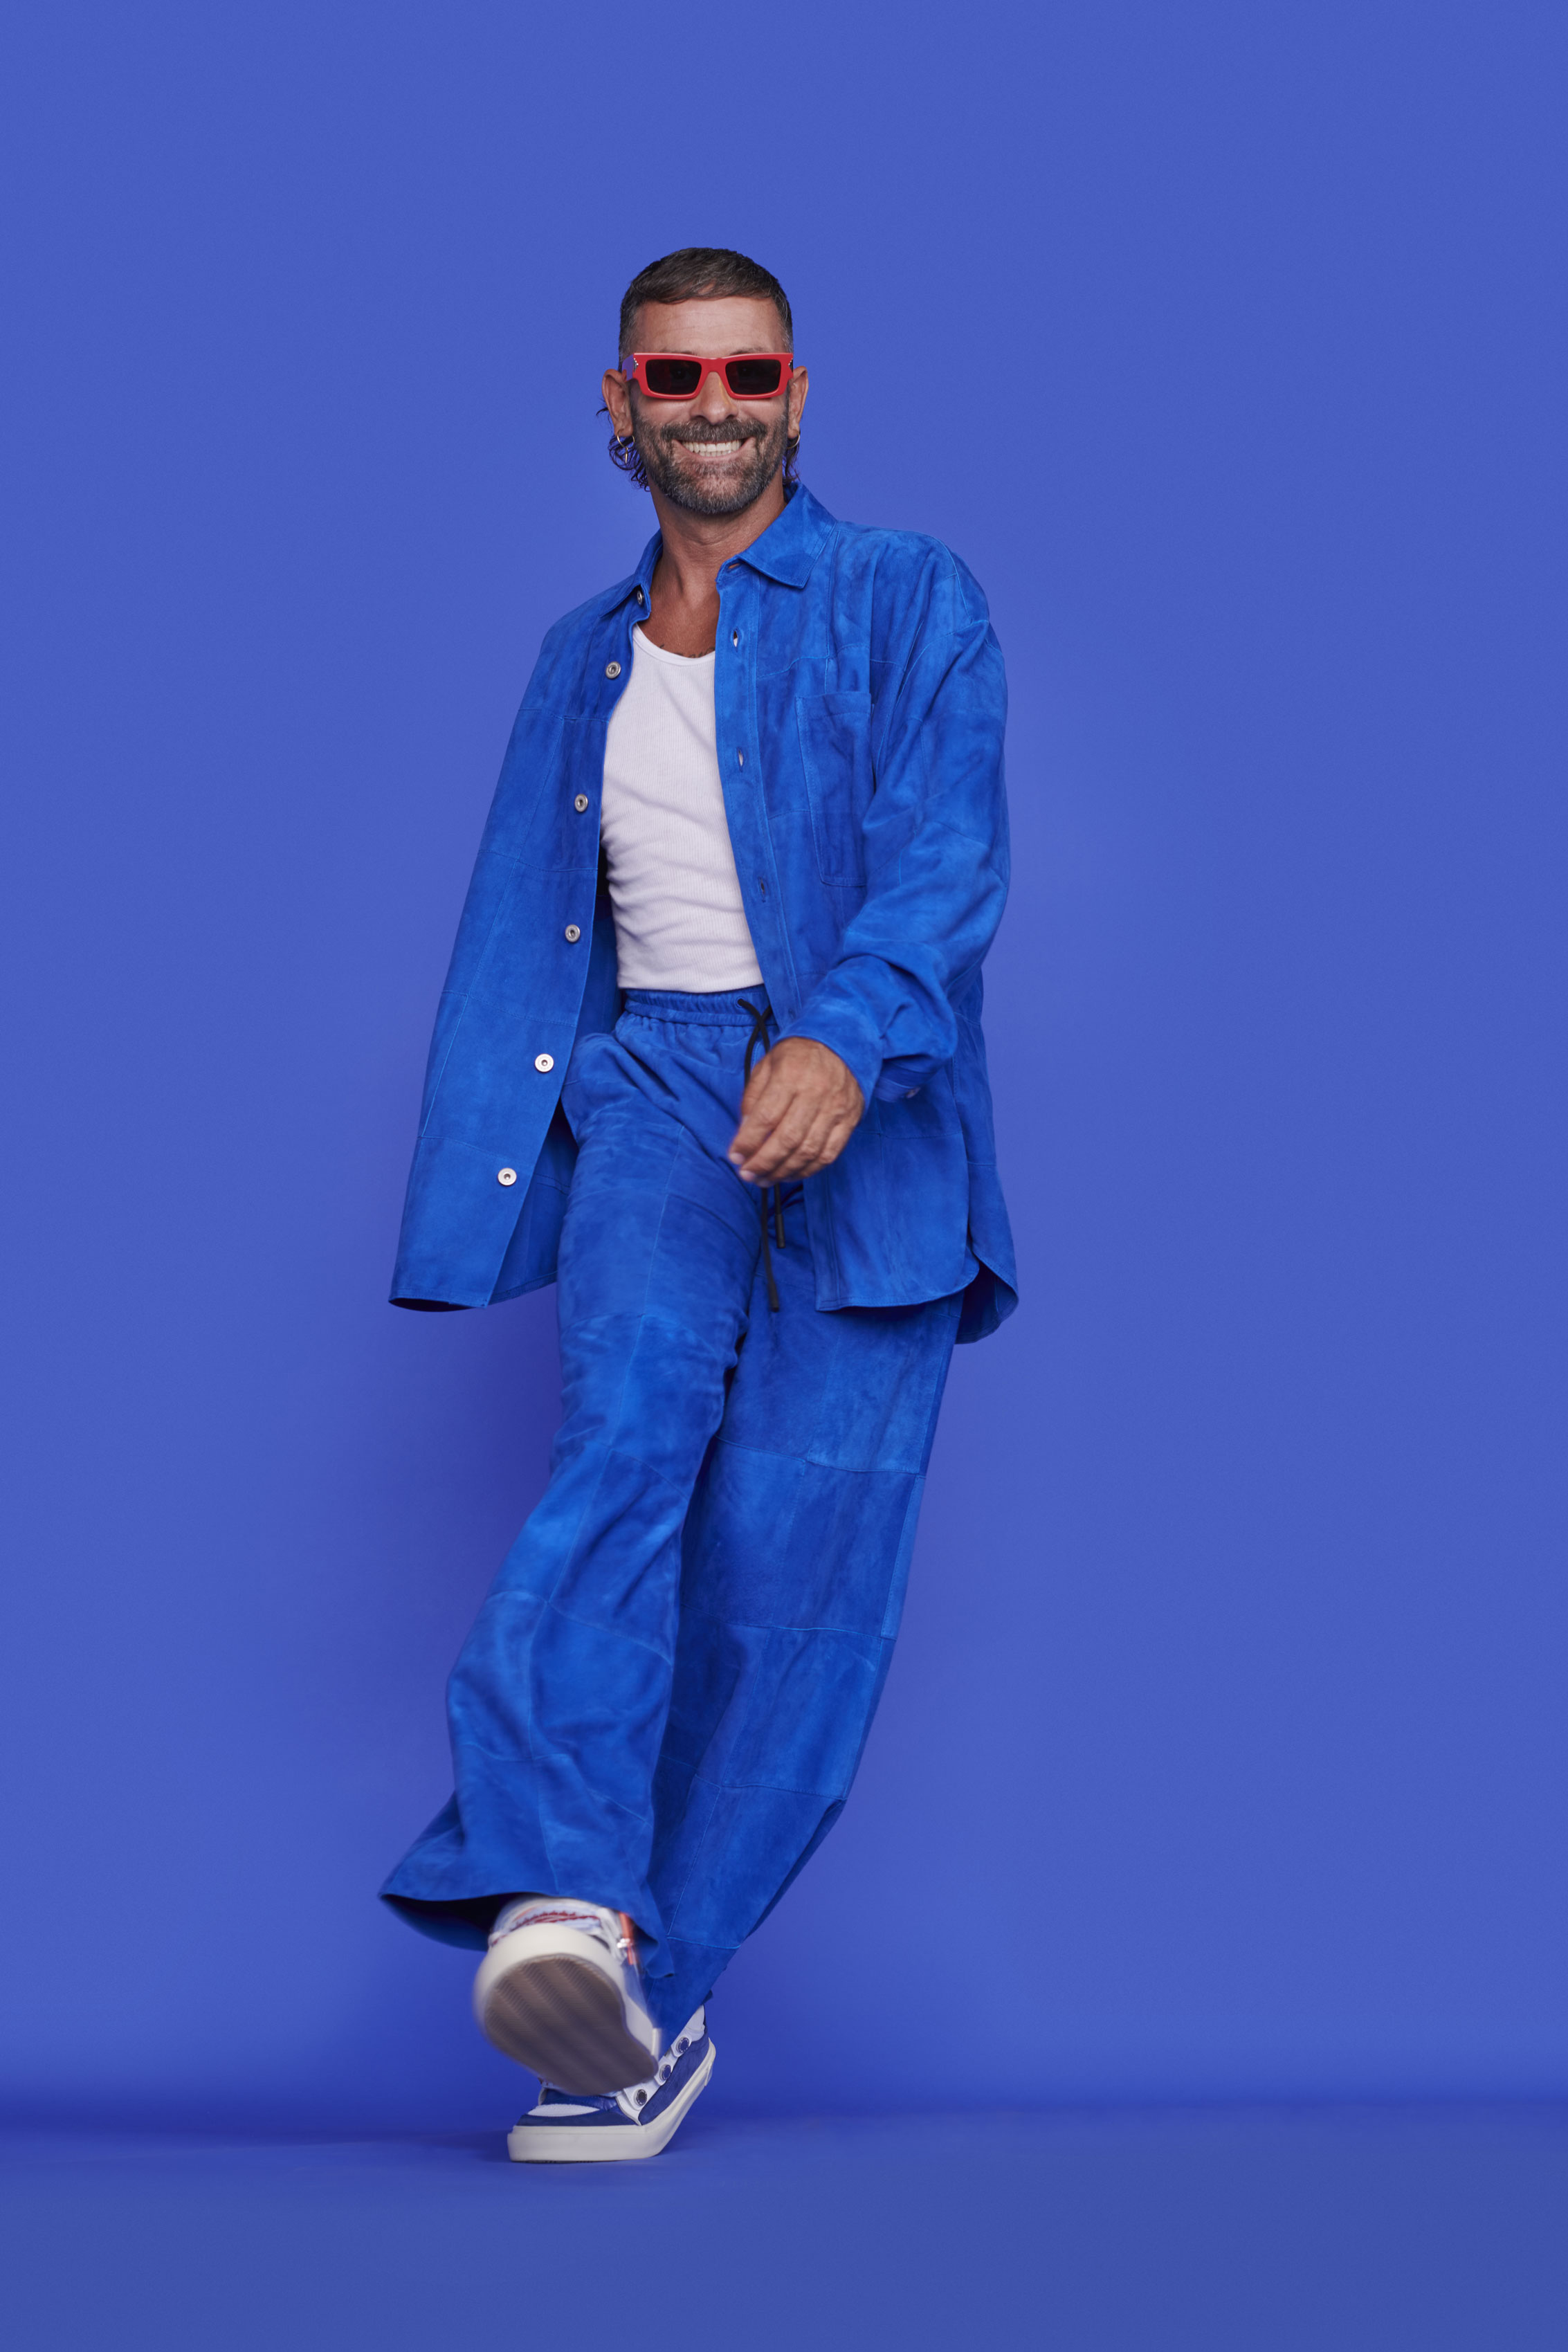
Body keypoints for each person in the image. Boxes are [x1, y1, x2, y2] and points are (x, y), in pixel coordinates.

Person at [380, 246, 1016, 2162]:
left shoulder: (907, 595)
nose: (713, 406)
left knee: (793, 1594)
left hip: (868, 1107)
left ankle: (637, 2008)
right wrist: (486, 1171)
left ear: (795, 394)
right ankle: (565, 1893)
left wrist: (845, 1035)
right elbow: (521, 932)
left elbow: (945, 856)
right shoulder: (575, 656)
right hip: (657, 1086)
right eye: (676, 378)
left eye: (747, 374)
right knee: (624, 1443)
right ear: (621, 404)